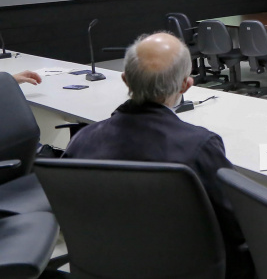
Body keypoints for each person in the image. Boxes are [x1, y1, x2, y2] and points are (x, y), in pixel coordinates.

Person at [63, 33, 255, 279]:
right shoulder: (199, 147)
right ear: (186, 85)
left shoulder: (81, 142)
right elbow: (239, 225)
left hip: (103, 267)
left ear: (125, 80)